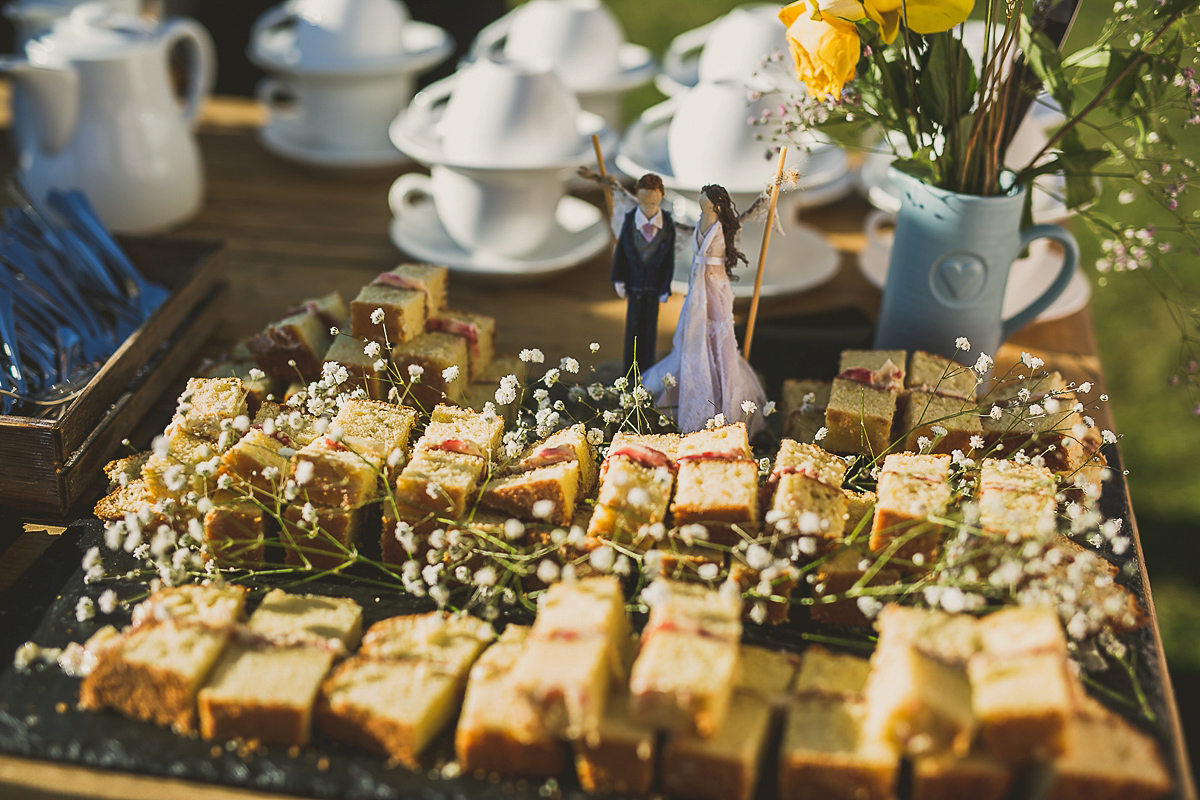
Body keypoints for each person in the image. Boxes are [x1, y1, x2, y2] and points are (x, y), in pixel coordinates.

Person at [641, 184, 767, 433]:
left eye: (706, 203)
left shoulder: (721, 227)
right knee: (692, 330)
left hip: (713, 283)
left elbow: (716, 258)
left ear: (716, 205)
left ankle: (720, 397)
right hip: (697, 283)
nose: (703, 207)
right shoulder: (700, 222)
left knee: (716, 331)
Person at [610, 173, 675, 376]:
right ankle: (629, 370)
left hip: (654, 287)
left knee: (650, 329)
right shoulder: (629, 221)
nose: (649, 206)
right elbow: (621, 251)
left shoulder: (668, 225)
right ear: (637, 196)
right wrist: (618, 278)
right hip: (634, 284)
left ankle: (647, 369)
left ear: (661, 197)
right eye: (645, 201)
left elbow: (669, 259)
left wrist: (665, 287)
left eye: (653, 201)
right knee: (632, 328)